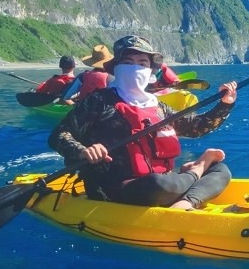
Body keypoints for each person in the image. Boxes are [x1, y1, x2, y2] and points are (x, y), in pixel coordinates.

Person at [49, 35, 238, 211]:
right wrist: (84, 150)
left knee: (221, 170)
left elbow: (197, 127)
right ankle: (197, 170)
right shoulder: (98, 101)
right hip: (118, 188)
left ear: (150, 70)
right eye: (128, 63)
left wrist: (225, 104)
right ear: (116, 67)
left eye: (142, 63)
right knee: (157, 183)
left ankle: (185, 202)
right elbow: (59, 136)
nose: (135, 69)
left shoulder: (158, 106)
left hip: (165, 183)